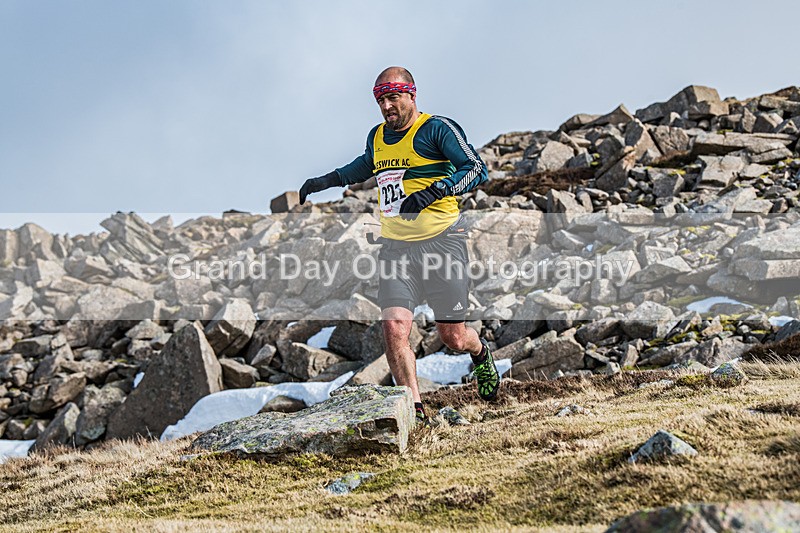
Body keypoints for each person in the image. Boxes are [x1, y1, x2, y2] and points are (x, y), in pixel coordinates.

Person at [299, 66, 500, 423]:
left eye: (393, 97)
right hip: (396, 249)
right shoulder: (377, 136)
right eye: (381, 100)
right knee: (393, 327)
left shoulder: (437, 129)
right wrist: (325, 180)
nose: (387, 106)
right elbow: (363, 167)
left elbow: (475, 169)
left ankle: (481, 353)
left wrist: (436, 190)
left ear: (411, 95)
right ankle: (414, 411)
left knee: (452, 336)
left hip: (443, 244)